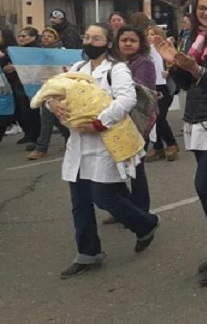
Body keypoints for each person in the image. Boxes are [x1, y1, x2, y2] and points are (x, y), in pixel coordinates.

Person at [48, 23, 160, 279]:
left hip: (105, 142)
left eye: (96, 38)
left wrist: (100, 122)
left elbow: (127, 99)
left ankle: (146, 223)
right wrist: (53, 103)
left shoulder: (117, 69)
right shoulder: (77, 69)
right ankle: (88, 253)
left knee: (103, 196)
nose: (90, 41)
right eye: (87, 37)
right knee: (80, 202)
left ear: (108, 43)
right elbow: (52, 90)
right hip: (77, 143)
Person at [153, 0, 207, 286]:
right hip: (195, 119)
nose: (205, 12)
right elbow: (187, 84)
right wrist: (174, 63)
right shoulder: (193, 37)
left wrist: (196, 68)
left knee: (206, 186)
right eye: (201, 7)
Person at [110, 25, 156, 218]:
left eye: (133, 40)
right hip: (118, 121)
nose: (128, 44)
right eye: (124, 40)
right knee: (116, 165)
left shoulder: (144, 63)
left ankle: (141, 210)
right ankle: (125, 207)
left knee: (137, 167)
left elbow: (141, 91)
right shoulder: (112, 63)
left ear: (141, 44)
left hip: (139, 122)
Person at [27, 30, 71, 159]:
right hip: (45, 87)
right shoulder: (39, 52)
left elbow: (66, 68)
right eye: (44, 36)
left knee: (47, 119)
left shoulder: (62, 51)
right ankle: (68, 138)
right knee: (56, 118)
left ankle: (41, 148)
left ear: (56, 38)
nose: (46, 38)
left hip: (58, 88)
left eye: (49, 36)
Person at [0, 29, 42, 146]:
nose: (21, 38)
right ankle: (28, 134)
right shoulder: (14, 50)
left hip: (27, 85)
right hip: (13, 84)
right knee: (21, 112)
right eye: (20, 36)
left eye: (24, 36)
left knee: (30, 111)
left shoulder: (32, 50)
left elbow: (34, 66)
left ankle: (36, 138)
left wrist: (15, 67)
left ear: (33, 37)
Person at [145, 25, 180, 161]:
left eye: (153, 34)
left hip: (164, 87)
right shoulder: (146, 50)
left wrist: (169, 72)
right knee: (152, 119)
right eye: (149, 34)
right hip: (151, 86)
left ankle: (171, 143)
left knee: (159, 118)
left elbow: (176, 66)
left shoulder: (166, 49)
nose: (150, 37)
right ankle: (158, 147)